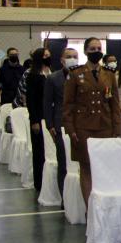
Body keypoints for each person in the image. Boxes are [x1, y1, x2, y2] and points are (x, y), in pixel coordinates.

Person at [63, 37, 121, 206]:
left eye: (99, 48)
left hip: (105, 126)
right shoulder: (75, 73)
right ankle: (90, 209)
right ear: (85, 52)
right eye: (92, 49)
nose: (96, 51)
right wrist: (70, 129)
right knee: (87, 168)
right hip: (83, 127)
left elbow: (114, 103)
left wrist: (116, 128)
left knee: (104, 168)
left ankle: (103, 204)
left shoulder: (109, 74)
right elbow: (68, 104)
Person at [43, 47, 78, 198]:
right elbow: (47, 102)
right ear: (62, 60)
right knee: (63, 162)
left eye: (75, 56)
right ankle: (65, 197)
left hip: (81, 123)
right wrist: (49, 125)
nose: (72, 59)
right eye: (69, 56)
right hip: (60, 123)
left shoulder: (83, 75)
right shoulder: (53, 78)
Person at [25, 48, 52, 194]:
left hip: (50, 116)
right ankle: (39, 182)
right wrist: (34, 120)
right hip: (38, 117)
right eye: (45, 56)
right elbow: (31, 100)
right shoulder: (33, 75)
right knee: (39, 150)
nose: (47, 58)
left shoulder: (51, 73)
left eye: (49, 55)